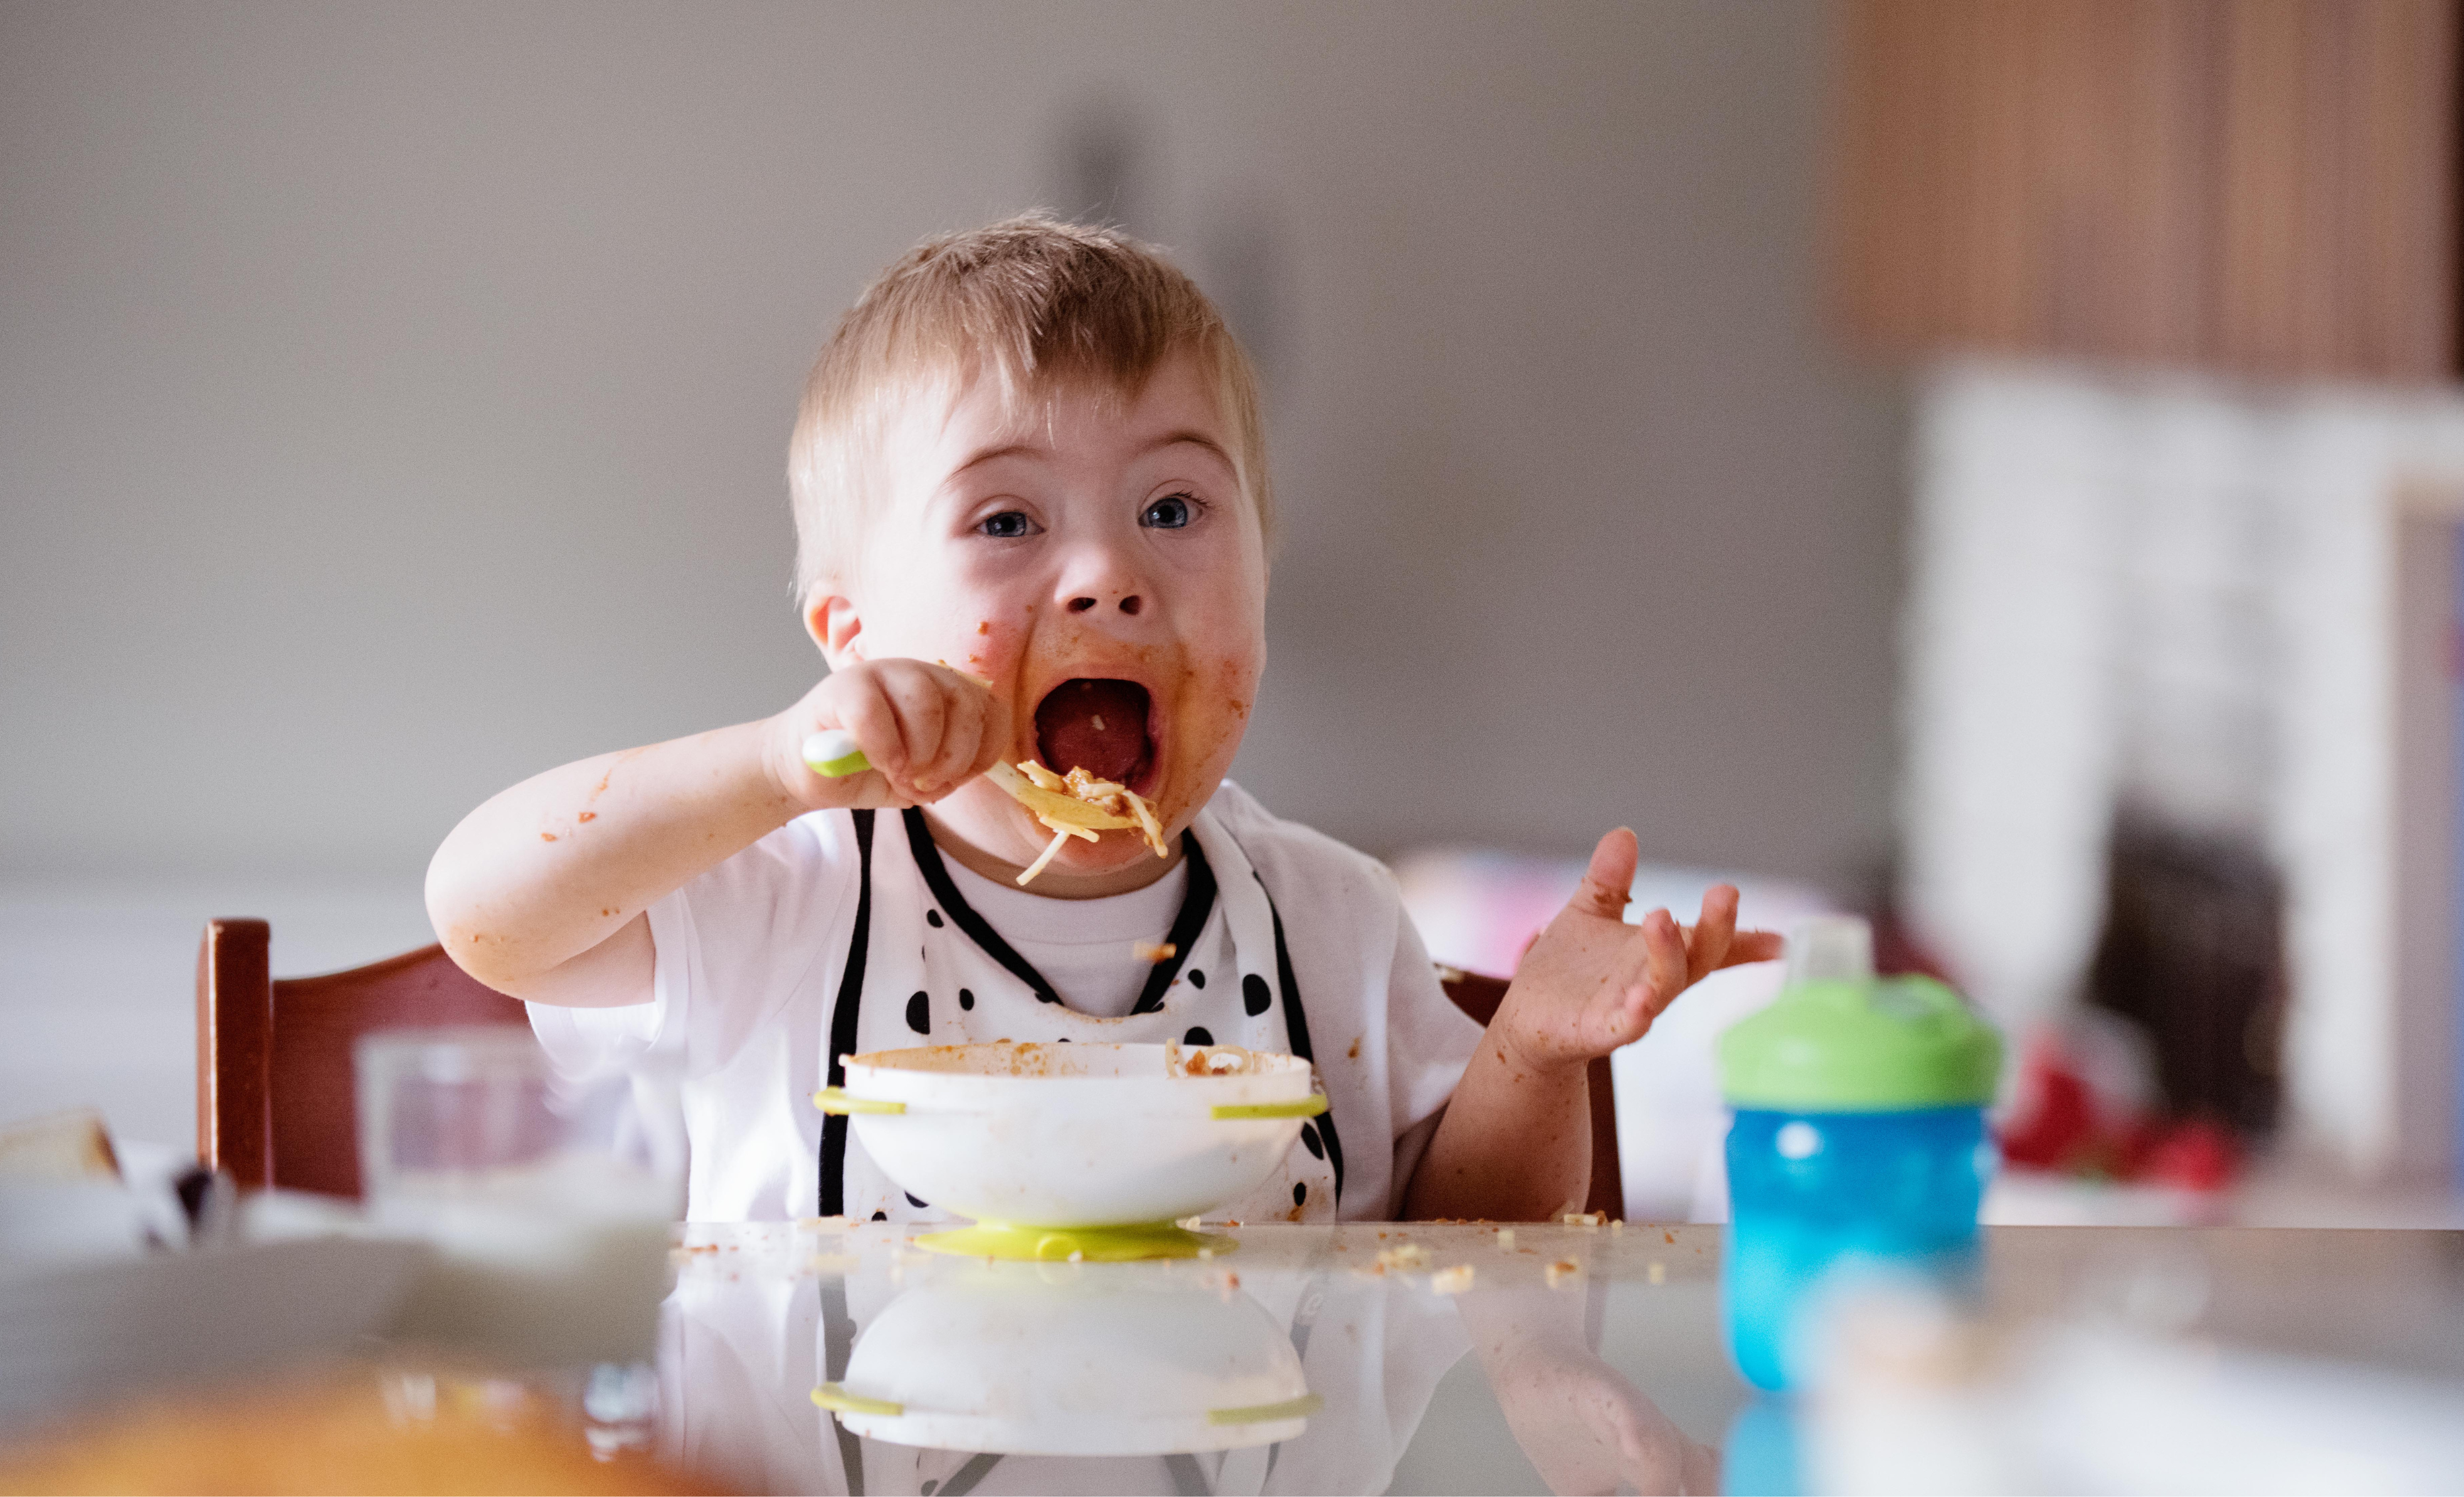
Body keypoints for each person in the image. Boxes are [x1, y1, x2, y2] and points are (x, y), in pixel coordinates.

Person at [425, 214, 1778, 1223]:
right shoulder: (776, 895)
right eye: (1006, 519)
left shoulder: (1329, 922)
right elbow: (488, 911)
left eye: (1173, 511)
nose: (1106, 574)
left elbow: (1463, 1258)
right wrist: (778, 765)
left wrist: (1530, 1046)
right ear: (850, 633)